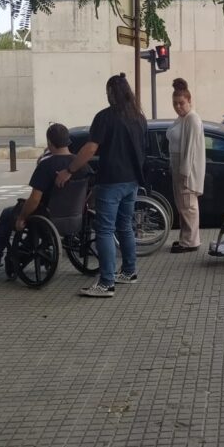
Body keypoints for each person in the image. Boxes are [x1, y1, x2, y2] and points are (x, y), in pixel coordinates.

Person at [55, 74, 147, 297]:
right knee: (125, 226)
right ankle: (129, 271)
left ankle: (106, 282)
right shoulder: (139, 117)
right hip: (132, 180)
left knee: (104, 230)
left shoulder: (105, 117)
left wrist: (69, 170)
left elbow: (90, 148)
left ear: (111, 94)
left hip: (111, 180)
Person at [0, 123, 76, 278]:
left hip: (47, 216)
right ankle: (20, 255)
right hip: (74, 217)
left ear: (49, 143)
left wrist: (21, 217)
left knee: (8, 214)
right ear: (68, 140)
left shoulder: (46, 165)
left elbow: (35, 199)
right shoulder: (79, 164)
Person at [167, 78, 205, 253]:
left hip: (185, 167)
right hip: (178, 164)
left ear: (189, 101)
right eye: (175, 103)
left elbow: (190, 148)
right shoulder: (182, 119)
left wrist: (185, 171)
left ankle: (190, 241)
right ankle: (185, 237)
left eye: (181, 103)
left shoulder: (192, 119)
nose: (178, 106)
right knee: (182, 205)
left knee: (188, 204)